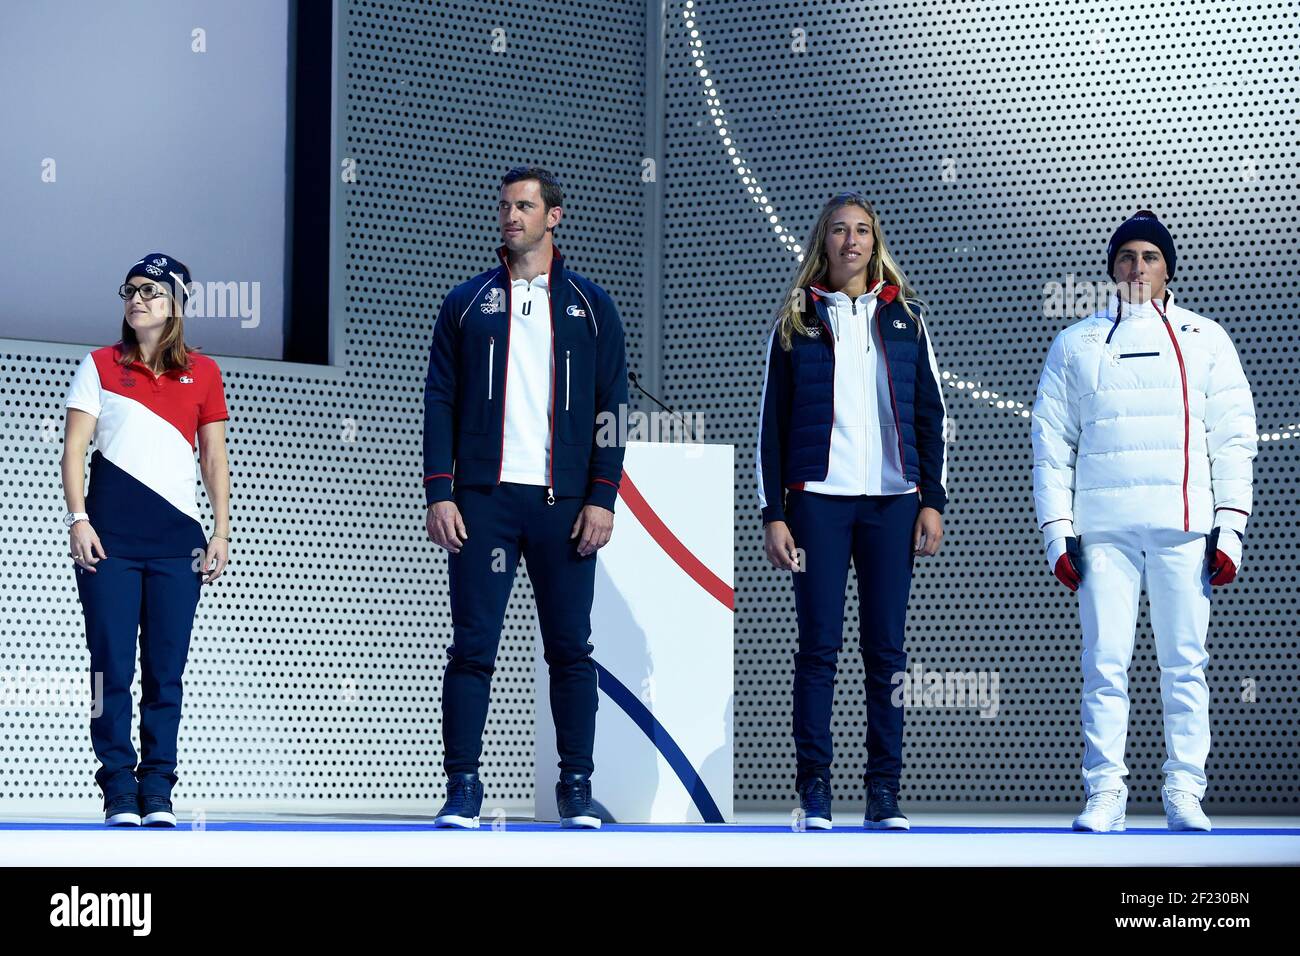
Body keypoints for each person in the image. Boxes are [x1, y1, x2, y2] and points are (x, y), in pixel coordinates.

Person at [1032, 210, 1257, 832]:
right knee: (1104, 665)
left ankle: (1185, 789)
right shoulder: (1075, 342)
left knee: (1186, 663)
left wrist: (1229, 525)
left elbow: (1233, 438)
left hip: (1184, 524)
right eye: (1126, 257)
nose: (1137, 267)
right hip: (1104, 529)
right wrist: (1059, 532)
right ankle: (1106, 791)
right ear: (1112, 268)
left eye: (1149, 257)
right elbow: (1052, 444)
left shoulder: (1206, 338)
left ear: (1167, 269)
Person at [422, 166, 628, 829]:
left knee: (570, 648)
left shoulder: (592, 306)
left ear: (554, 217)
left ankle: (576, 788)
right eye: (505, 206)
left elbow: (612, 408)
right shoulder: (466, 301)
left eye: (525, 206)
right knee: (472, 647)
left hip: (563, 506)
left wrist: (601, 497)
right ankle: (462, 788)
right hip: (483, 501)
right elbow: (439, 401)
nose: (511, 216)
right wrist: (440, 490)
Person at [757, 192, 949, 830]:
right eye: (838, 230)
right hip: (817, 504)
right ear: (823, 242)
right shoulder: (796, 320)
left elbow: (931, 416)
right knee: (818, 647)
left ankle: (883, 792)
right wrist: (773, 513)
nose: (850, 241)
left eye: (861, 230)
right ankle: (814, 790)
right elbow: (771, 427)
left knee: (887, 652)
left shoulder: (906, 320)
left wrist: (931, 500)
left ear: (875, 241)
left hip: (893, 504)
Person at [62, 253, 231, 827]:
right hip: (108, 543)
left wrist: (221, 530)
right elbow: (74, 451)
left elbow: (213, 457)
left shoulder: (204, 373)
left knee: (166, 670)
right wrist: (78, 520)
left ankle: (157, 789)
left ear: (177, 304)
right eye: (130, 289)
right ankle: (117, 789)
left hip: (176, 542)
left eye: (151, 291)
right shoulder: (99, 365)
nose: (137, 299)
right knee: (108, 666)